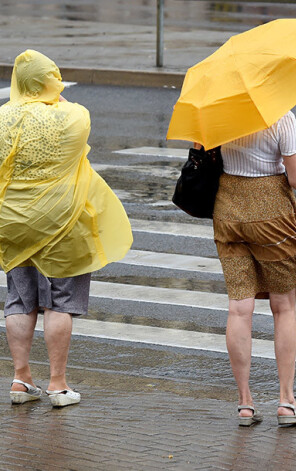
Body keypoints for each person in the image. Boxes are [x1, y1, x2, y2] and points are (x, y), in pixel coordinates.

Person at [0, 50, 132, 407]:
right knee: (59, 302)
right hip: (60, 224)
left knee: (19, 300)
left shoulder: (2, 118)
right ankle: (57, 384)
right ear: (51, 81)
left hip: (13, 223)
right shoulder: (74, 116)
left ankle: (20, 380)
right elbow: (70, 115)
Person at [206, 110, 296, 426]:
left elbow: (203, 151)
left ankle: (245, 404)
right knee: (282, 307)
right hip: (271, 211)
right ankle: (286, 402)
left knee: (239, 309)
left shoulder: (217, 112)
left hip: (228, 208)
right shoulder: (280, 116)